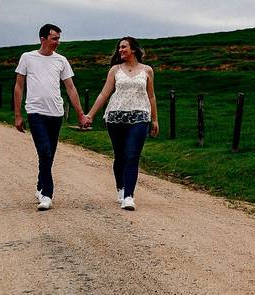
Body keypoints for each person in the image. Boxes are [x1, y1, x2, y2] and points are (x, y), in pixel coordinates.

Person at [14, 23, 91, 211]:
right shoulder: (27, 58)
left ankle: (40, 185)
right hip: (35, 112)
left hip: (56, 113)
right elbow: (19, 87)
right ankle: (47, 195)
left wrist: (81, 114)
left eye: (58, 38)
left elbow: (71, 88)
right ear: (43, 39)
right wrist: (18, 115)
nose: (57, 42)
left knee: (49, 155)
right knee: (45, 152)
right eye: (54, 38)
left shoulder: (61, 61)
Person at [85, 36, 159, 211]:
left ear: (133, 49)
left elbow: (151, 96)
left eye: (123, 47)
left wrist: (154, 119)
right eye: (119, 48)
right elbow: (104, 94)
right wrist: (90, 115)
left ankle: (129, 196)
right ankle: (121, 187)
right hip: (116, 117)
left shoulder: (147, 70)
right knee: (120, 156)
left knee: (132, 155)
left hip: (140, 117)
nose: (120, 50)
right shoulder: (115, 70)